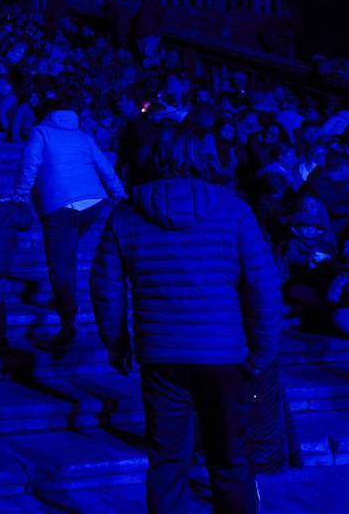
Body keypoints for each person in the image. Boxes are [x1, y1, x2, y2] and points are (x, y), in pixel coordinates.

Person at [89, 132, 282, 514]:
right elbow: (262, 283)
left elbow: (105, 286)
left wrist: (116, 341)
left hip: (161, 355)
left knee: (167, 460)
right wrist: (262, 350)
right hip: (226, 355)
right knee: (230, 460)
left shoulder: (125, 214)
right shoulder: (233, 209)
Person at [13, 98, 126, 349]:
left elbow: (30, 164)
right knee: (68, 253)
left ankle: (68, 322)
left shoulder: (40, 132)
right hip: (93, 203)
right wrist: (119, 194)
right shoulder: (83, 136)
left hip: (60, 205)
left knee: (59, 264)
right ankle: (65, 299)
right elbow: (104, 166)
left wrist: (20, 195)